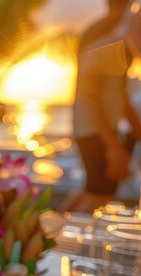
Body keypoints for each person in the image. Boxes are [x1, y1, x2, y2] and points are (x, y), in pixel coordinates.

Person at [64, 0, 140, 212]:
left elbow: (118, 92)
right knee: (100, 198)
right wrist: (113, 147)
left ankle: (50, 230)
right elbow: (92, 97)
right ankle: (53, 238)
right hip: (95, 129)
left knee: (93, 190)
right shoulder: (109, 37)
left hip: (95, 128)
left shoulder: (108, 33)